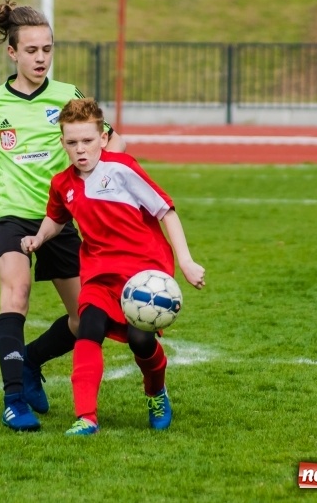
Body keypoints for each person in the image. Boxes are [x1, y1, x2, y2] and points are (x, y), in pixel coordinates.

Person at [0, 0, 125, 432]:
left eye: (47, 49)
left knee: (85, 319)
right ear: (12, 53)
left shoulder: (68, 96)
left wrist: (109, 190)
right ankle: (13, 400)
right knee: (16, 294)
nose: (41, 58)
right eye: (31, 50)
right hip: (10, 214)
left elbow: (110, 144)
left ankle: (31, 362)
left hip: (60, 217)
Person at [21, 98, 205, 435]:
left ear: (103, 138)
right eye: (72, 142)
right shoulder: (62, 184)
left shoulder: (122, 167)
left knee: (140, 341)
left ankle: (156, 392)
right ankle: (86, 417)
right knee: (88, 326)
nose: (80, 150)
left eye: (88, 141)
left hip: (144, 273)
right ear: (62, 142)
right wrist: (38, 238)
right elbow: (55, 219)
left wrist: (187, 261)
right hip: (99, 273)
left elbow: (166, 210)